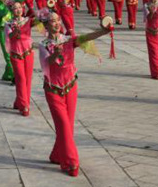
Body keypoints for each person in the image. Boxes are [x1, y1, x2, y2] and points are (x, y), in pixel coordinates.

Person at [39, 11, 111, 176]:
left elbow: (85, 38)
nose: (56, 24)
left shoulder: (69, 40)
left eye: (58, 20)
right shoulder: (44, 44)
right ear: (46, 25)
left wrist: (103, 31)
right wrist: (54, 54)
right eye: (52, 21)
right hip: (53, 90)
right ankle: (71, 163)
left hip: (70, 86)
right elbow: (45, 64)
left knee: (68, 127)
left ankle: (57, 154)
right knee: (63, 126)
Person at [5, 1, 36, 116]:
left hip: (28, 53)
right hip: (16, 54)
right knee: (21, 79)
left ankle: (20, 102)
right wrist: (15, 32)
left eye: (19, 7)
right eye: (15, 8)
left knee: (27, 79)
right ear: (11, 11)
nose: (17, 10)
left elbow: (40, 21)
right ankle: (24, 106)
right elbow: (9, 37)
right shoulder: (8, 23)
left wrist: (44, 13)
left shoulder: (28, 21)